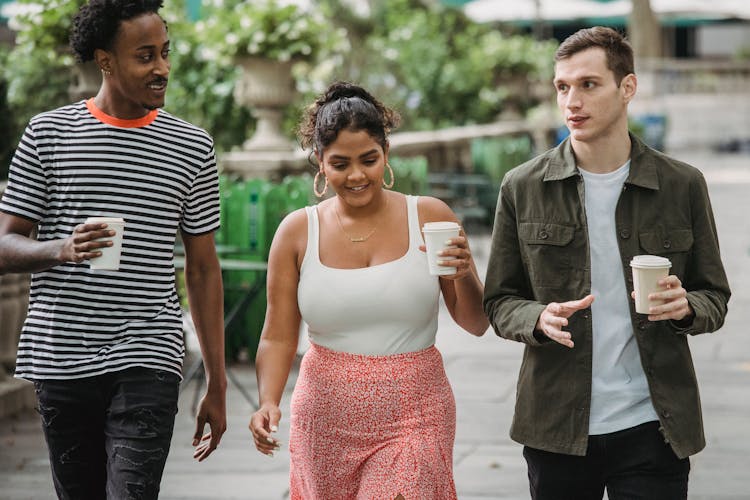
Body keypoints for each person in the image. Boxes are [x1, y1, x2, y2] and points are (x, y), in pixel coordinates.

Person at [483, 26, 730, 500]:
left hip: (654, 425)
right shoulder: (522, 187)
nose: (571, 100)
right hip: (556, 425)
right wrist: (538, 317)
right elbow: (499, 300)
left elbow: (714, 296)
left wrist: (686, 306)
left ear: (627, 88)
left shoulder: (683, 185)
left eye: (588, 84)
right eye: (562, 87)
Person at [0, 1, 227, 498]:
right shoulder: (48, 134)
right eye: (145, 56)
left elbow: (204, 270)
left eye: (165, 52)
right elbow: (4, 244)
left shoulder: (192, 147)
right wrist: (60, 248)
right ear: (105, 61)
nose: (162, 67)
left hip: (149, 350)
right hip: (61, 355)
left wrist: (217, 379)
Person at [248, 81, 489, 499]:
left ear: (386, 154)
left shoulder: (430, 216)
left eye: (368, 160)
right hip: (323, 418)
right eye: (340, 163)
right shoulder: (297, 232)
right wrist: (268, 400)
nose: (356, 175)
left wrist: (465, 272)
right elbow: (277, 334)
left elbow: (475, 323)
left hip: (415, 413)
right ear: (320, 163)